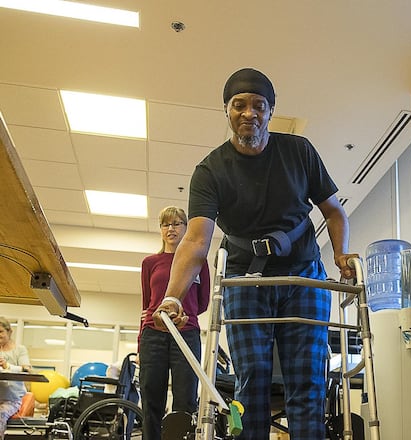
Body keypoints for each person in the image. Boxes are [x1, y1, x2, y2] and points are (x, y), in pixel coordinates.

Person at [152, 67, 357, 440]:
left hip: (303, 276)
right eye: (239, 104)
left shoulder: (299, 151)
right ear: (227, 110)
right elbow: (197, 240)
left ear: (270, 111)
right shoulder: (211, 170)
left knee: (308, 379)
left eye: (259, 105)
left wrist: (341, 255)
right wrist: (172, 296)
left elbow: (334, 212)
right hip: (246, 280)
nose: (249, 113)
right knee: (252, 381)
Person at [139, 206, 211, 440]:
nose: (171, 229)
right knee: (151, 398)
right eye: (165, 224)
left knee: (185, 400)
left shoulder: (199, 261)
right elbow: (147, 304)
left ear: (186, 228)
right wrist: (141, 344)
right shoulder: (150, 262)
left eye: (177, 223)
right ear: (160, 230)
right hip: (153, 333)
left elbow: (202, 304)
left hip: (186, 333)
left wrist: (183, 314)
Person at [0, 317, 32, 439]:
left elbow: (26, 369)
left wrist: (8, 366)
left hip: (11, 400)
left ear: (9, 332)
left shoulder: (19, 350)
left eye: (0, 332)